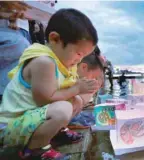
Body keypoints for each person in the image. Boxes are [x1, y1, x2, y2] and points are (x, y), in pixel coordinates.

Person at [0, 8, 99, 160]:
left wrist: (77, 93)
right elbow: (45, 100)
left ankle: (53, 133)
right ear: (55, 39)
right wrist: (77, 88)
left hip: (27, 122)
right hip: (10, 129)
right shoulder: (44, 62)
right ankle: (35, 149)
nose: (79, 60)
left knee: (75, 101)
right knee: (63, 108)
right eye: (79, 54)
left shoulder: (59, 62)